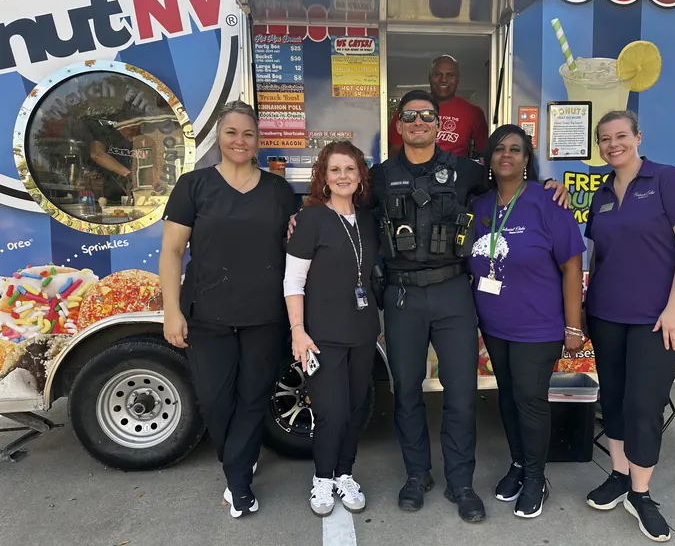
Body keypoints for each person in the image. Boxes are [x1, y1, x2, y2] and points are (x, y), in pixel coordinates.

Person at [366, 90, 568, 523]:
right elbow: (342, 204)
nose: (418, 122)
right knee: (405, 391)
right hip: (401, 296)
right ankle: (417, 474)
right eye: (410, 116)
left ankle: (461, 482)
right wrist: (301, 215)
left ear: (439, 124)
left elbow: (512, 185)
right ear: (398, 125)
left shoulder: (466, 172)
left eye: (427, 116)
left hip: (454, 293)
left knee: (460, 395)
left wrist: (552, 185)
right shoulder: (379, 177)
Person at [159, 100, 297, 519]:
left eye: (249, 133)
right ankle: (241, 460)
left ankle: (239, 484)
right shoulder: (193, 185)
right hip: (207, 313)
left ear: (258, 141)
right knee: (215, 401)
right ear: (219, 138)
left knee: (253, 397)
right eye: (232, 132)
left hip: (265, 313)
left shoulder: (278, 190)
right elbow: (171, 250)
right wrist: (171, 311)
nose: (240, 140)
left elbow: (295, 251)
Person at [582, 110, 675, 542]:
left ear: (637, 137)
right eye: (604, 139)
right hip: (607, 314)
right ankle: (618, 475)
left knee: (643, 405)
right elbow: (599, 254)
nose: (613, 144)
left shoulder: (668, 180)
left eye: (620, 136)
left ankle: (641, 492)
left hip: (661, 320)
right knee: (612, 399)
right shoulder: (601, 194)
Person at [466, 124, 586, 519]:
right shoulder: (481, 206)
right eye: (499, 149)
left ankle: (537, 478)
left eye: (515, 149)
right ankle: (518, 464)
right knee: (507, 397)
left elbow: (572, 265)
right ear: (489, 157)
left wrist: (573, 326)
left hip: (538, 325)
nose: (507, 155)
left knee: (530, 400)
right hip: (496, 324)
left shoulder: (546, 201)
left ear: (526, 159)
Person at [283, 142, 381, 518]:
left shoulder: (369, 221)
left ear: (360, 176)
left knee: (356, 409)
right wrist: (297, 330)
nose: (343, 176)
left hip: (361, 331)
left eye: (350, 170)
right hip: (320, 336)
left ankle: (344, 474)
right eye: (335, 169)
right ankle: (322, 479)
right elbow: (294, 281)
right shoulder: (309, 220)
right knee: (331, 411)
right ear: (324, 176)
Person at [387, 55, 488, 159]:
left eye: (450, 75)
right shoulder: (408, 109)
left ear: (458, 79)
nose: (443, 79)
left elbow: (483, 155)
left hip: (457, 173)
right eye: (438, 74)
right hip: (414, 173)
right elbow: (394, 150)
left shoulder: (473, 113)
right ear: (430, 77)